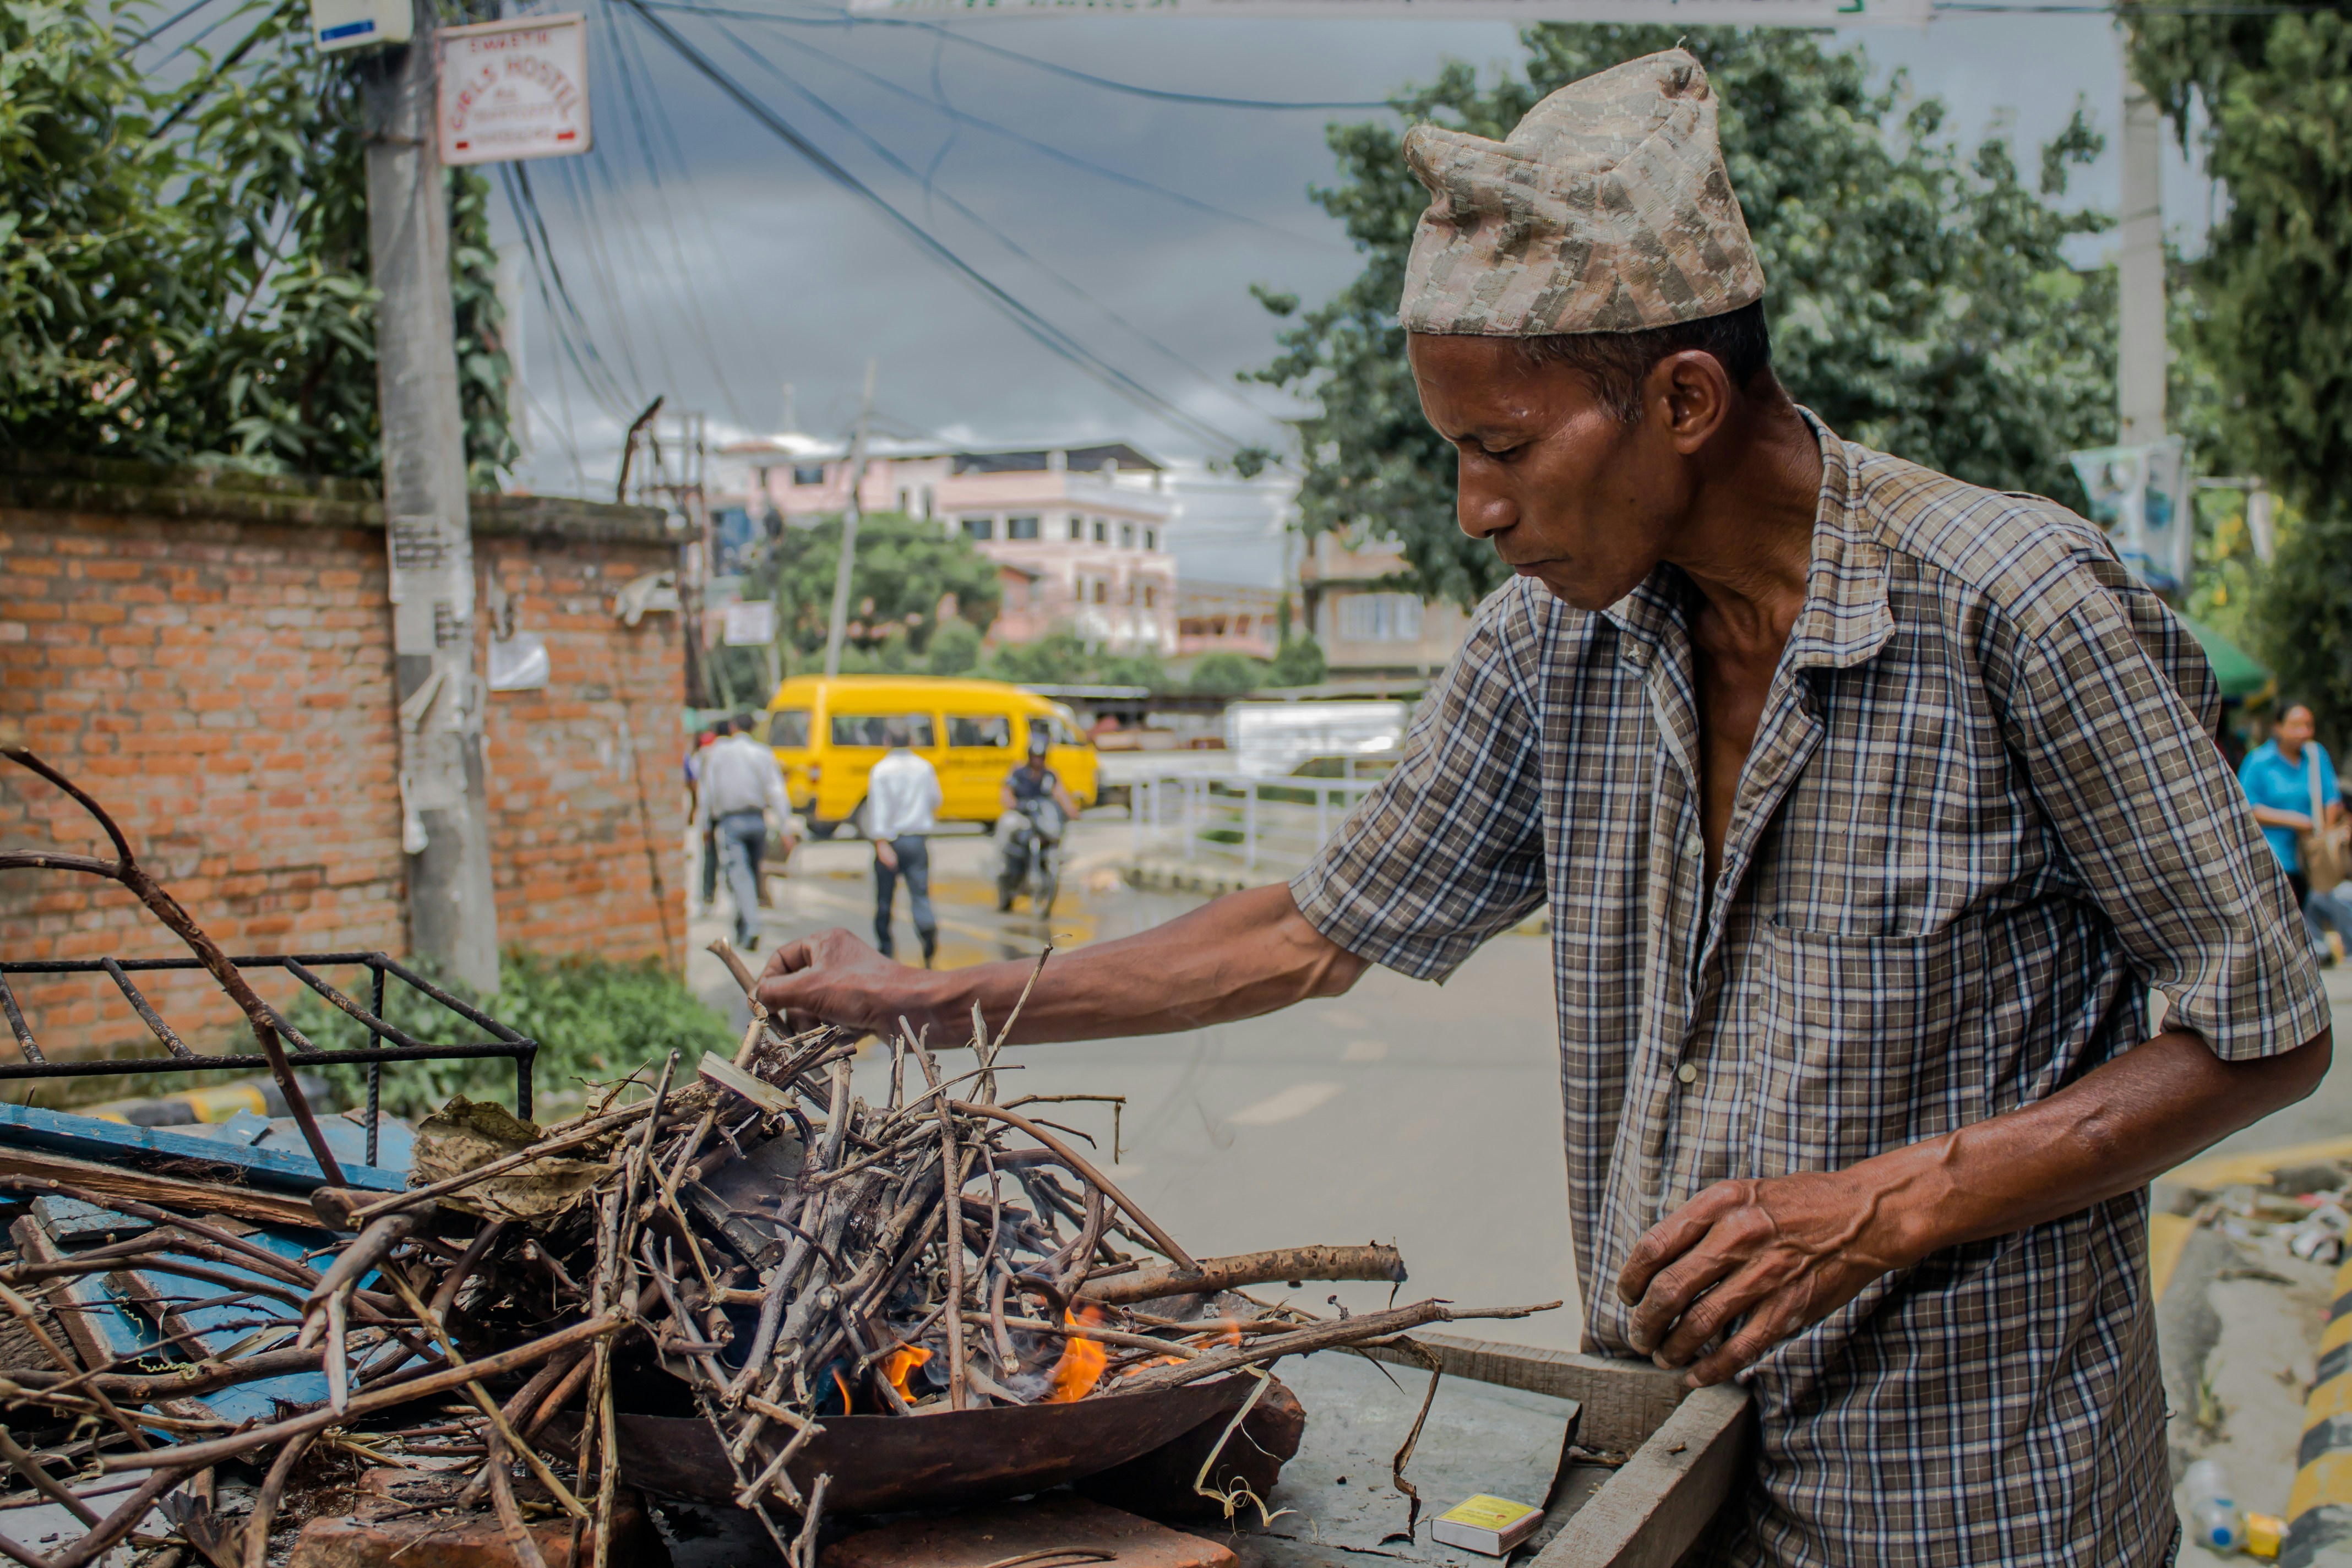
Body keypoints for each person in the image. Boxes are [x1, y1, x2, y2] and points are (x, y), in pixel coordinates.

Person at [756, 51, 2328, 1566]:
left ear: (1687, 401)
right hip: (1663, 1469)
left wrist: (1879, 1209)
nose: (1476, 511)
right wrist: (911, 997)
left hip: (1977, 1504)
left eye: (1503, 449)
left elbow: (2267, 1030)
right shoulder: (1554, 642)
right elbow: (1304, 934)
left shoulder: (2018, 609)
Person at [2239, 703, 2352, 963]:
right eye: (2296, 725)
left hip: (2310, 856)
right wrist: (2292, 820)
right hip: (2273, 854)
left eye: (2308, 725)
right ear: (2278, 727)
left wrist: (2321, 831)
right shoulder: (2258, 761)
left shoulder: (2315, 755)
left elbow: (2331, 798)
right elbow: (2247, 807)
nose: (2304, 731)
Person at [695, 713, 791, 952]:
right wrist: (786, 826)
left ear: (733, 727)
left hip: (732, 822)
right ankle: (743, 925)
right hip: (757, 821)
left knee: (739, 876)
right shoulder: (762, 753)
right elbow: (776, 791)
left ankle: (752, 926)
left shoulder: (718, 753)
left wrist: (705, 825)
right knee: (747, 875)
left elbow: (707, 792)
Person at [865, 721, 941, 967]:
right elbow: (936, 799)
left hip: (891, 841)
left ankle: (886, 949)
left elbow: (878, 808)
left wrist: (880, 841)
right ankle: (927, 930)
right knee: (920, 896)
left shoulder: (881, 770)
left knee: (885, 900)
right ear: (912, 741)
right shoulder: (924, 767)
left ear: (887, 741)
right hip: (917, 841)